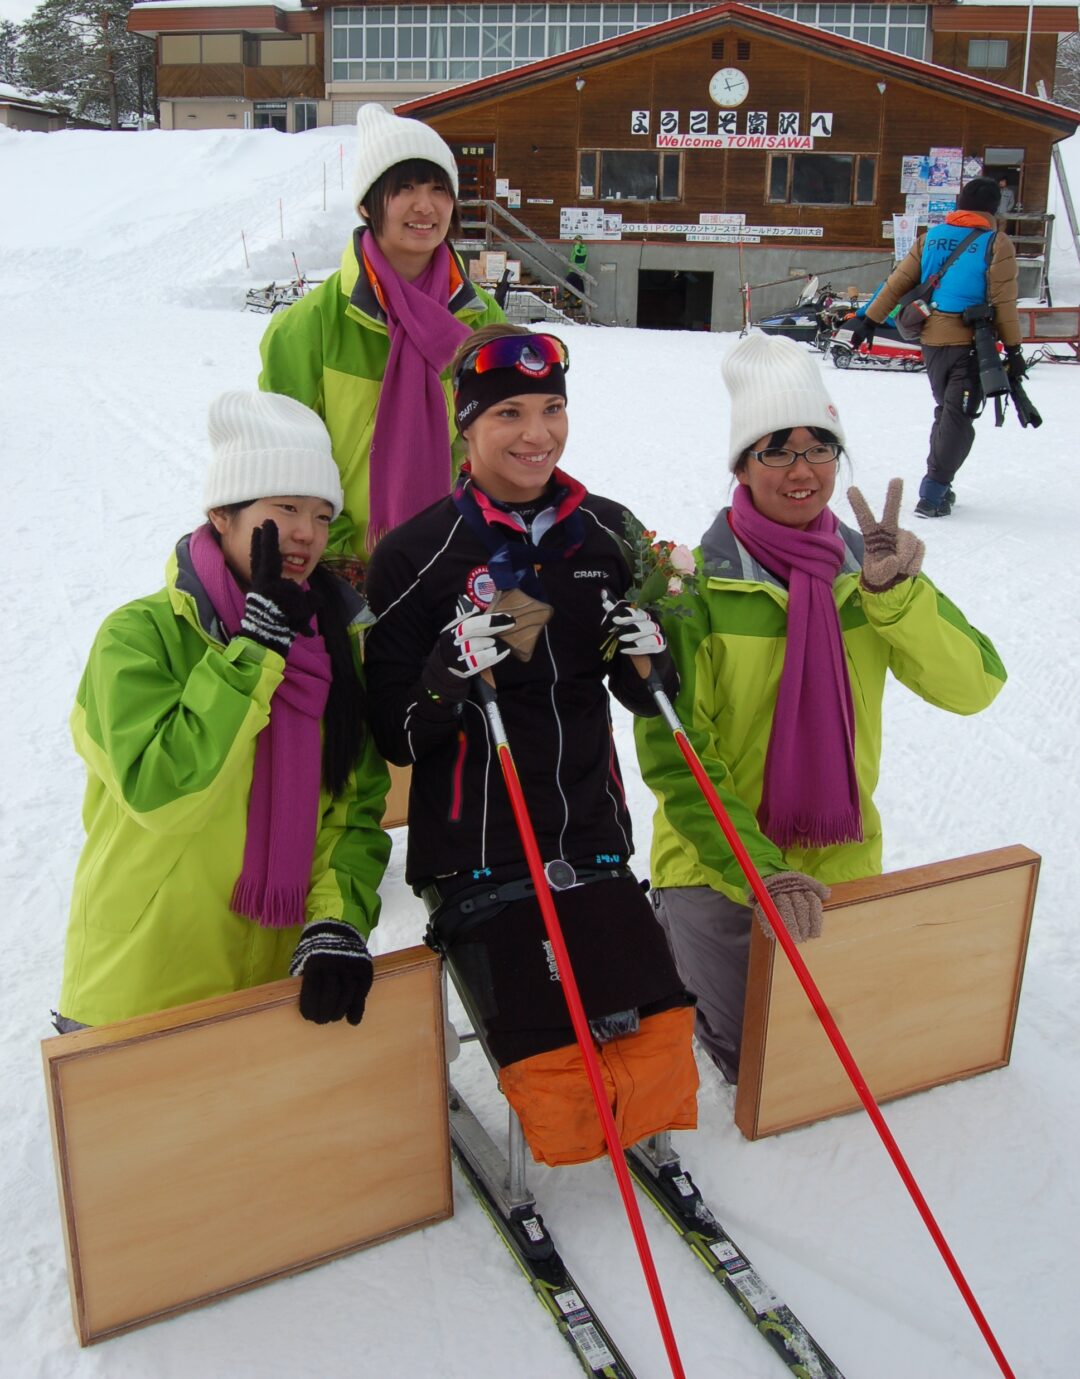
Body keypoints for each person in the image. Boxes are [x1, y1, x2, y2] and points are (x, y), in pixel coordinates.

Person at [363, 323, 698, 1167]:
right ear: (465, 427)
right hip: (478, 844)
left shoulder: (610, 534)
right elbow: (394, 731)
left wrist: (652, 657)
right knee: (554, 1065)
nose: (536, 433)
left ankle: (645, 1131)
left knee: (655, 1026)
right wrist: (445, 674)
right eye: (508, 413)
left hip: (588, 826)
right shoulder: (415, 552)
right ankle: (562, 1143)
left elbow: (645, 694)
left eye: (552, 408)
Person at [634, 333, 1006, 1084]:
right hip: (722, 867)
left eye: (820, 447)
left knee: (837, 1054)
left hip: (840, 857)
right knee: (757, 1060)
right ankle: (671, 924)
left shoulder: (870, 574)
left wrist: (898, 599)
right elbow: (679, 759)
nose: (802, 470)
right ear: (741, 465)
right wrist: (761, 872)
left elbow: (973, 687)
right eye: (776, 449)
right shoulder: (693, 591)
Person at [56, 392, 391, 1031]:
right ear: (222, 515)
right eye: (285, 508)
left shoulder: (330, 646)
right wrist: (253, 654)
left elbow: (350, 809)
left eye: (322, 515)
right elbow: (161, 792)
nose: (306, 533)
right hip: (137, 993)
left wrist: (335, 922)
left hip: (273, 994)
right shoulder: (136, 637)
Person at [259, 103, 505, 565]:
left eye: (438, 189)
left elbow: (500, 445)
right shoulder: (308, 326)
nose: (424, 206)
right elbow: (284, 463)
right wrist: (335, 559)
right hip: (337, 567)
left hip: (451, 561)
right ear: (367, 204)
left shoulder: (480, 320)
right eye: (405, 188)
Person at [848, 176, 1023, 518]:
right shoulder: (996, 243)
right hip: (969, 343)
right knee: (957, 416)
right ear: (993, 210)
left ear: (960, 204)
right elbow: (1005, 302)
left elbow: (897, 283)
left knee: (947, 411)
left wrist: (868, 320)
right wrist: (1014, 350)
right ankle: (933, 492)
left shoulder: (930, 238)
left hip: (930, 341)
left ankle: (940, 486)